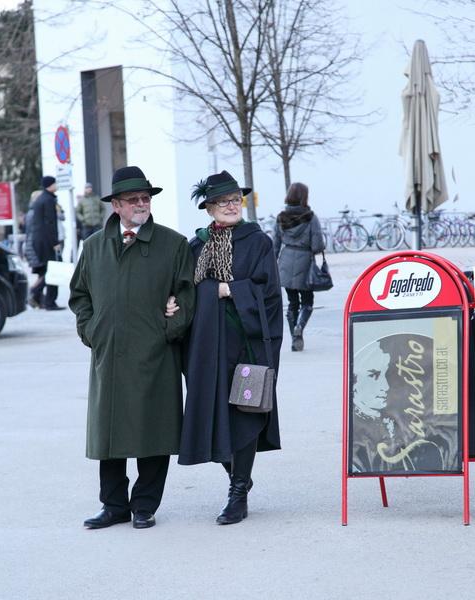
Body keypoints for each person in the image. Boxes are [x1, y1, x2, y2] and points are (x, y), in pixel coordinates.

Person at [69, 166, 195, 530]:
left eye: (146, 198)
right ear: (116, 206)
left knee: (153, 431)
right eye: (133, 200)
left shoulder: (172, 244)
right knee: (108, 435)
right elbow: (79, 296)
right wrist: (91, 330)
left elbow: (186, 295)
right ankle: (113, 505)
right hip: (108, 356)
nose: (141, 204)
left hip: (156, 354)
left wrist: (169, 328)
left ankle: (144, 505)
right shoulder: (94, 247)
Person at [178, 170, 283, 526]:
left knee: (244, 415)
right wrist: (175, 304)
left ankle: (238, 492)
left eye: (236, 200)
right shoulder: (195, 246)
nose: (231, 206)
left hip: (247, 346)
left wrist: (232, 290)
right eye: (223, 202)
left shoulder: (258, 242)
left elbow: (269, 293)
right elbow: (186, 292)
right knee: (212, 416)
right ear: (208, 208)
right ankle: (237, 475)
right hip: (205, 348)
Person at [273, 183, 324, 351]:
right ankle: (299, 328)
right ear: (304, 197)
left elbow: (275, 244)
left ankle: (295, 338)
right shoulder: (311, 217)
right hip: (304, 262)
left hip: (286, 262)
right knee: (307, 301)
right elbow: (317, 244)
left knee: (292, 302)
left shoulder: (280, 217)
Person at [29, 176, 65, 310]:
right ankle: (43, 297)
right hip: (47, 242)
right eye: (55, 183)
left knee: (48, 270)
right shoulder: (49, 200)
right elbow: (50, 223)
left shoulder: (41, 199)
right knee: (53, 270)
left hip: (40, 240)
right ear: (50, 185)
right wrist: (55, 242)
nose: (56, 185)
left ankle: (41, 298)